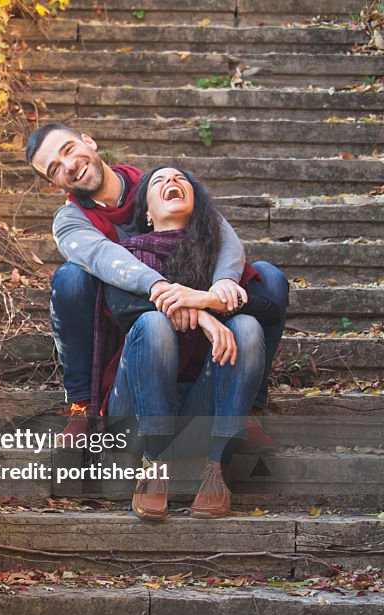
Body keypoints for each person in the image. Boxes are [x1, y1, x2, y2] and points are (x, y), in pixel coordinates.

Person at [24, 124, 289, 453]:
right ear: (54, 183)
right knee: (70, 278)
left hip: (195, 332)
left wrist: (221, 285)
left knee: (268, 279)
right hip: (127, 329)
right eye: (55, 169)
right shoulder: (71, 220)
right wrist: (175, 296)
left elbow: (217, 229)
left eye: (68, 150)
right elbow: (107, 259)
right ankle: (83, 407)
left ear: (88, 141)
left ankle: (248, 405)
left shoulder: (158, 183)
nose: (69, 165)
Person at [97, 167, 282, 520]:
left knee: (246, 326)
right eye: (159, 181)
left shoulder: (220, 263)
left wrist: (204, 298)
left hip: (201, 406)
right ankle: (153, 464)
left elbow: (270, 311)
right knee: (152, 321)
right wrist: (205, 316)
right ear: (147, 214)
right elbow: (124, 309)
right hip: (134, 410)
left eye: (181, 179)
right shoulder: (126, 256)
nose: (172, 182)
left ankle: (217, 466)